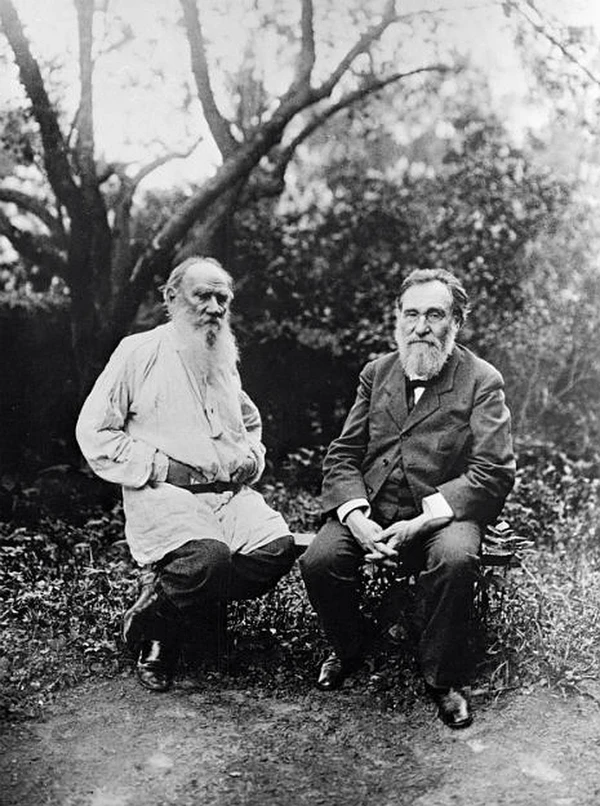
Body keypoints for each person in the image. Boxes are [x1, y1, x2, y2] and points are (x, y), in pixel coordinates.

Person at [300, 268, 516, 728]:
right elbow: (343, 454)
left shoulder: (482, 380)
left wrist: (423, 520)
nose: (420, 327)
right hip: (373, 507)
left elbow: (494, 470)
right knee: (320, 560)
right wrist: (356, 517)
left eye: (434, 315)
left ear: (456, 322)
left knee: (455, 559)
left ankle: (442, 677)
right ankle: (350, 646)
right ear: (398, 318)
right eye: (411, 314)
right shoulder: (376, 373)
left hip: (444, 514)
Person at [76, 256, 295, 692]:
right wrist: (159, 466)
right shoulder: (139, 352)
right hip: (165, 494)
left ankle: (166, 606)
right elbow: (94, 430)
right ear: (172, 297)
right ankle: (157, 636)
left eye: (222, 298)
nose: (214, 307)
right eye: (203, 296)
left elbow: (249, 422)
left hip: (226, 495)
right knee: (208, 560)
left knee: (275, 550)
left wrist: (250, 458)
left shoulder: (221, 355)